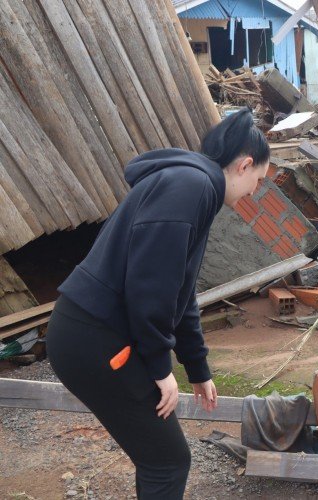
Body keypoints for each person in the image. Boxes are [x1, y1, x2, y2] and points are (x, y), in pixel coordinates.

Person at [47, 109, 270, 499]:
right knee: (167, 461)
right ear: (244, 165)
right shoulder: (191, 185)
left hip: (92, 335)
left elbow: (181, 296)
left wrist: (197, 368)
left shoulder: (195, 187)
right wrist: (159, 366)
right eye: (259, 180)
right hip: (93, 338)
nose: (256, 191)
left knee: (159, 457)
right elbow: (151, 287)